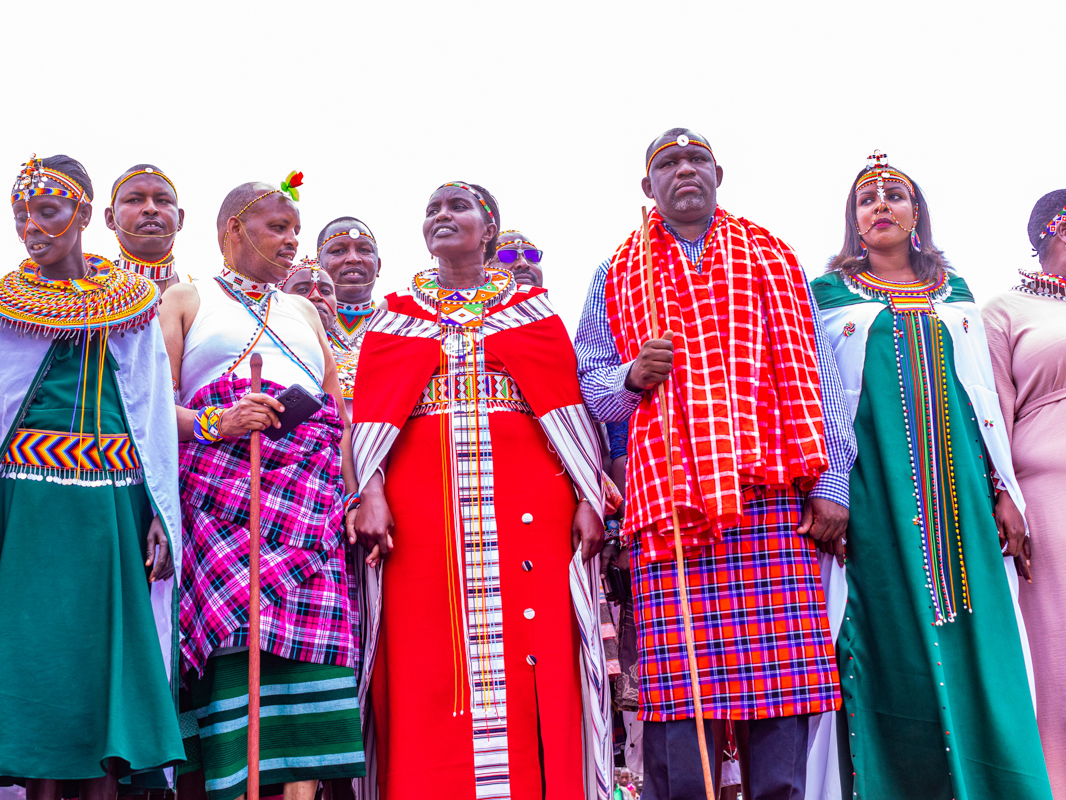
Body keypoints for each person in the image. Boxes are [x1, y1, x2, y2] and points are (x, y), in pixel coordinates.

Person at [576, 128, 857, 800]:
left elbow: (821, 376)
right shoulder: (617, 270)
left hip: (769, 497)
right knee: (682, 695)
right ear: (649, 187)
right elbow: (588, 384)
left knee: (780, 686)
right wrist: (630, 377)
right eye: (667, 164)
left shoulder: (771, 256)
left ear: (719, 172)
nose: (684, 171)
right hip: (670, 508)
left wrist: (833, 480)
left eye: (696, 159)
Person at [352, 180, 620, 800]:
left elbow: (568, 413)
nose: (442, 217)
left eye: (457, 207)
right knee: (424, 655)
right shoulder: (394, 318)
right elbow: (370, 421)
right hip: (420, 513)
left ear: (489, 227)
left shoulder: (534, 314)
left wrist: (585, 496)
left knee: (537, 648)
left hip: (532, 502)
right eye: (431, 210)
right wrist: (370, 492)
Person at [0, 154, 184, 798]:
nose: (32, 229)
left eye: (47, 212)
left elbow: (151, 411)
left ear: (82, 213)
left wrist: (159, 511)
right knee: (34, 678)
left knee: (103, 686)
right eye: (22, 217)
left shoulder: (134, 303)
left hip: (113, 509)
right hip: (24, 513)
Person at [809, 152, 1049, 799]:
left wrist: (1003, 493)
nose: (880, 204)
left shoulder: (958, 296)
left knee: (981, 640)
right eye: (867, 199)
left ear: (918, 214)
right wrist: (830, 492)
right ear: (853, 222)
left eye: (894, 195)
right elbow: (820, 400)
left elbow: (985, 404)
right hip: (875, 499)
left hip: (964, 502)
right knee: (887, 640)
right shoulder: (827, 299)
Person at [159, 174, 364, 800]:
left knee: (309, 664)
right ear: (232, 230)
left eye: (296, 230)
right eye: (279, 227)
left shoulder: (304, 310)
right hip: (223, 496)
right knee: (233, 647)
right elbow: (150, 406)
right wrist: (216, 422)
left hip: (312, 499)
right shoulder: (183, 299)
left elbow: (339, 414)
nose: (293, 241)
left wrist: (355, 498)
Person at [983, 188, 1066, 796]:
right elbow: (992, 416)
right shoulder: (1005, 311)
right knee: (1056, 656)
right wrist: (1001, 496)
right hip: (1049, 494)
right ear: (1052, 233)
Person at [316, 216, 380, 407]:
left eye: (364, 250)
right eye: (339, 251)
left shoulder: (394, 326)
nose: (353, 258)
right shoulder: (303, 327)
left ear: (379, 266)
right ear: (318, 267)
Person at [105, 164, 183, 294]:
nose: (151, 209)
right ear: (110, 218)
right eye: (134, 200)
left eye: (163, 200)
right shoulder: (91, 293)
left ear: (180, 219)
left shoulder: (202, 295)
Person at [281, 257, 337, 335]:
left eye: (326, 291)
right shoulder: (263, 345)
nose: (316, 296)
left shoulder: (342, 347)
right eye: (302, 290)